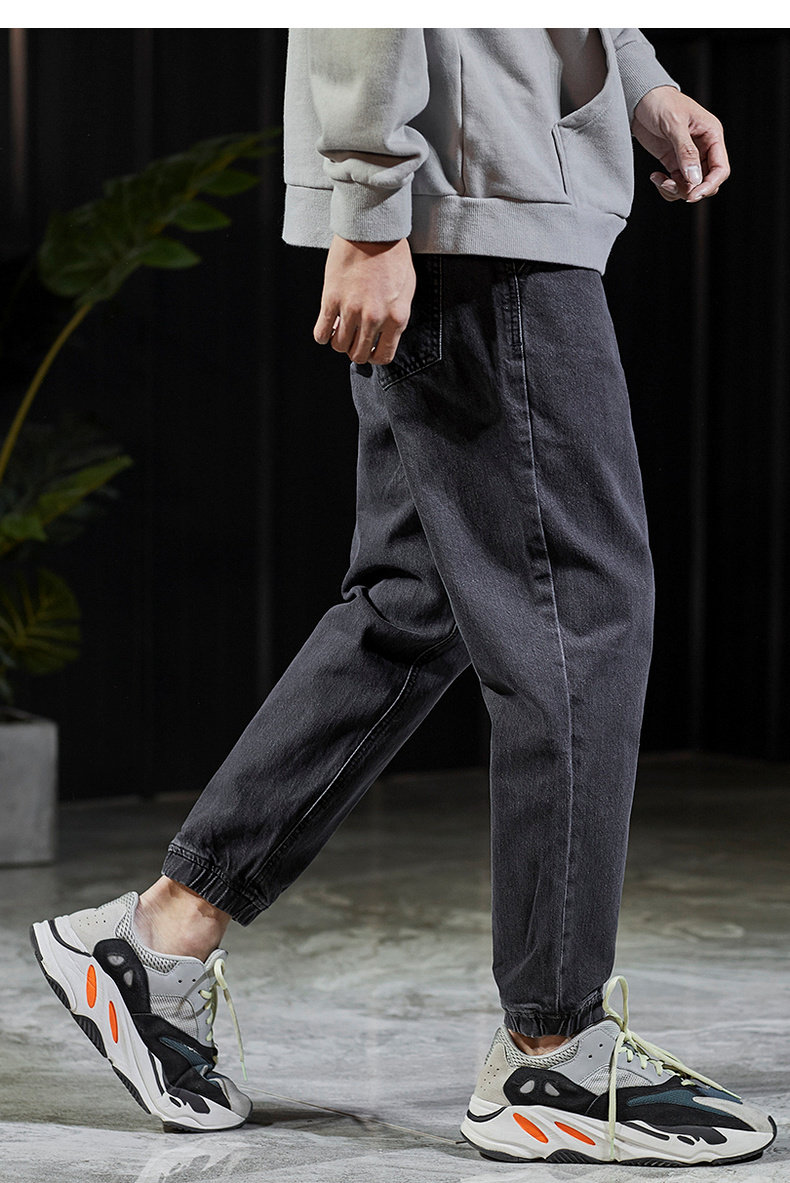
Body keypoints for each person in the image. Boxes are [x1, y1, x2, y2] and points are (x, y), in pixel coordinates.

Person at [31, 28, 776, 1165]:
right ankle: (552, 1052)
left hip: (490, 180)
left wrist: (638, 78)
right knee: (577, 613)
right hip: (473, 200)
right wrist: (373, 208)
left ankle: (158, 937)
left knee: (413, 602)